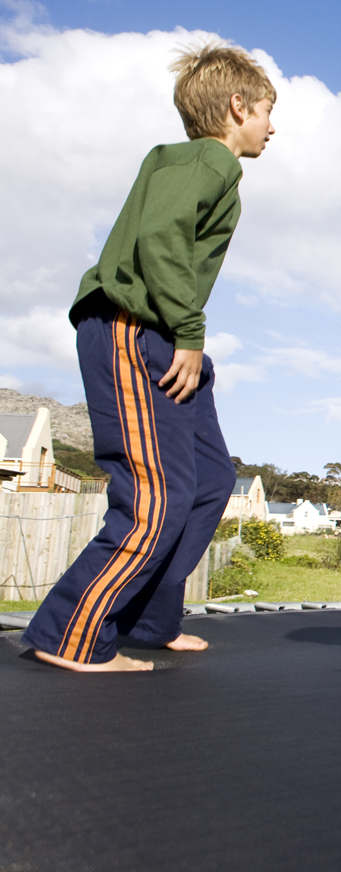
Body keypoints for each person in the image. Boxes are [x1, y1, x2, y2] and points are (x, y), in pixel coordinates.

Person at [23, 43, 276, 672]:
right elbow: (160, 238)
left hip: (164, 333)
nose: (273, 128)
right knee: (156, 495)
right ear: (236, 106)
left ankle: (148, 616)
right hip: (135, 327)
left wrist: (186, 339)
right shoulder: (209, 161)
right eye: (268, 112)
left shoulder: (204, 168)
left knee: (213, 479)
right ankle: (69, 633)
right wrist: (190, 333)